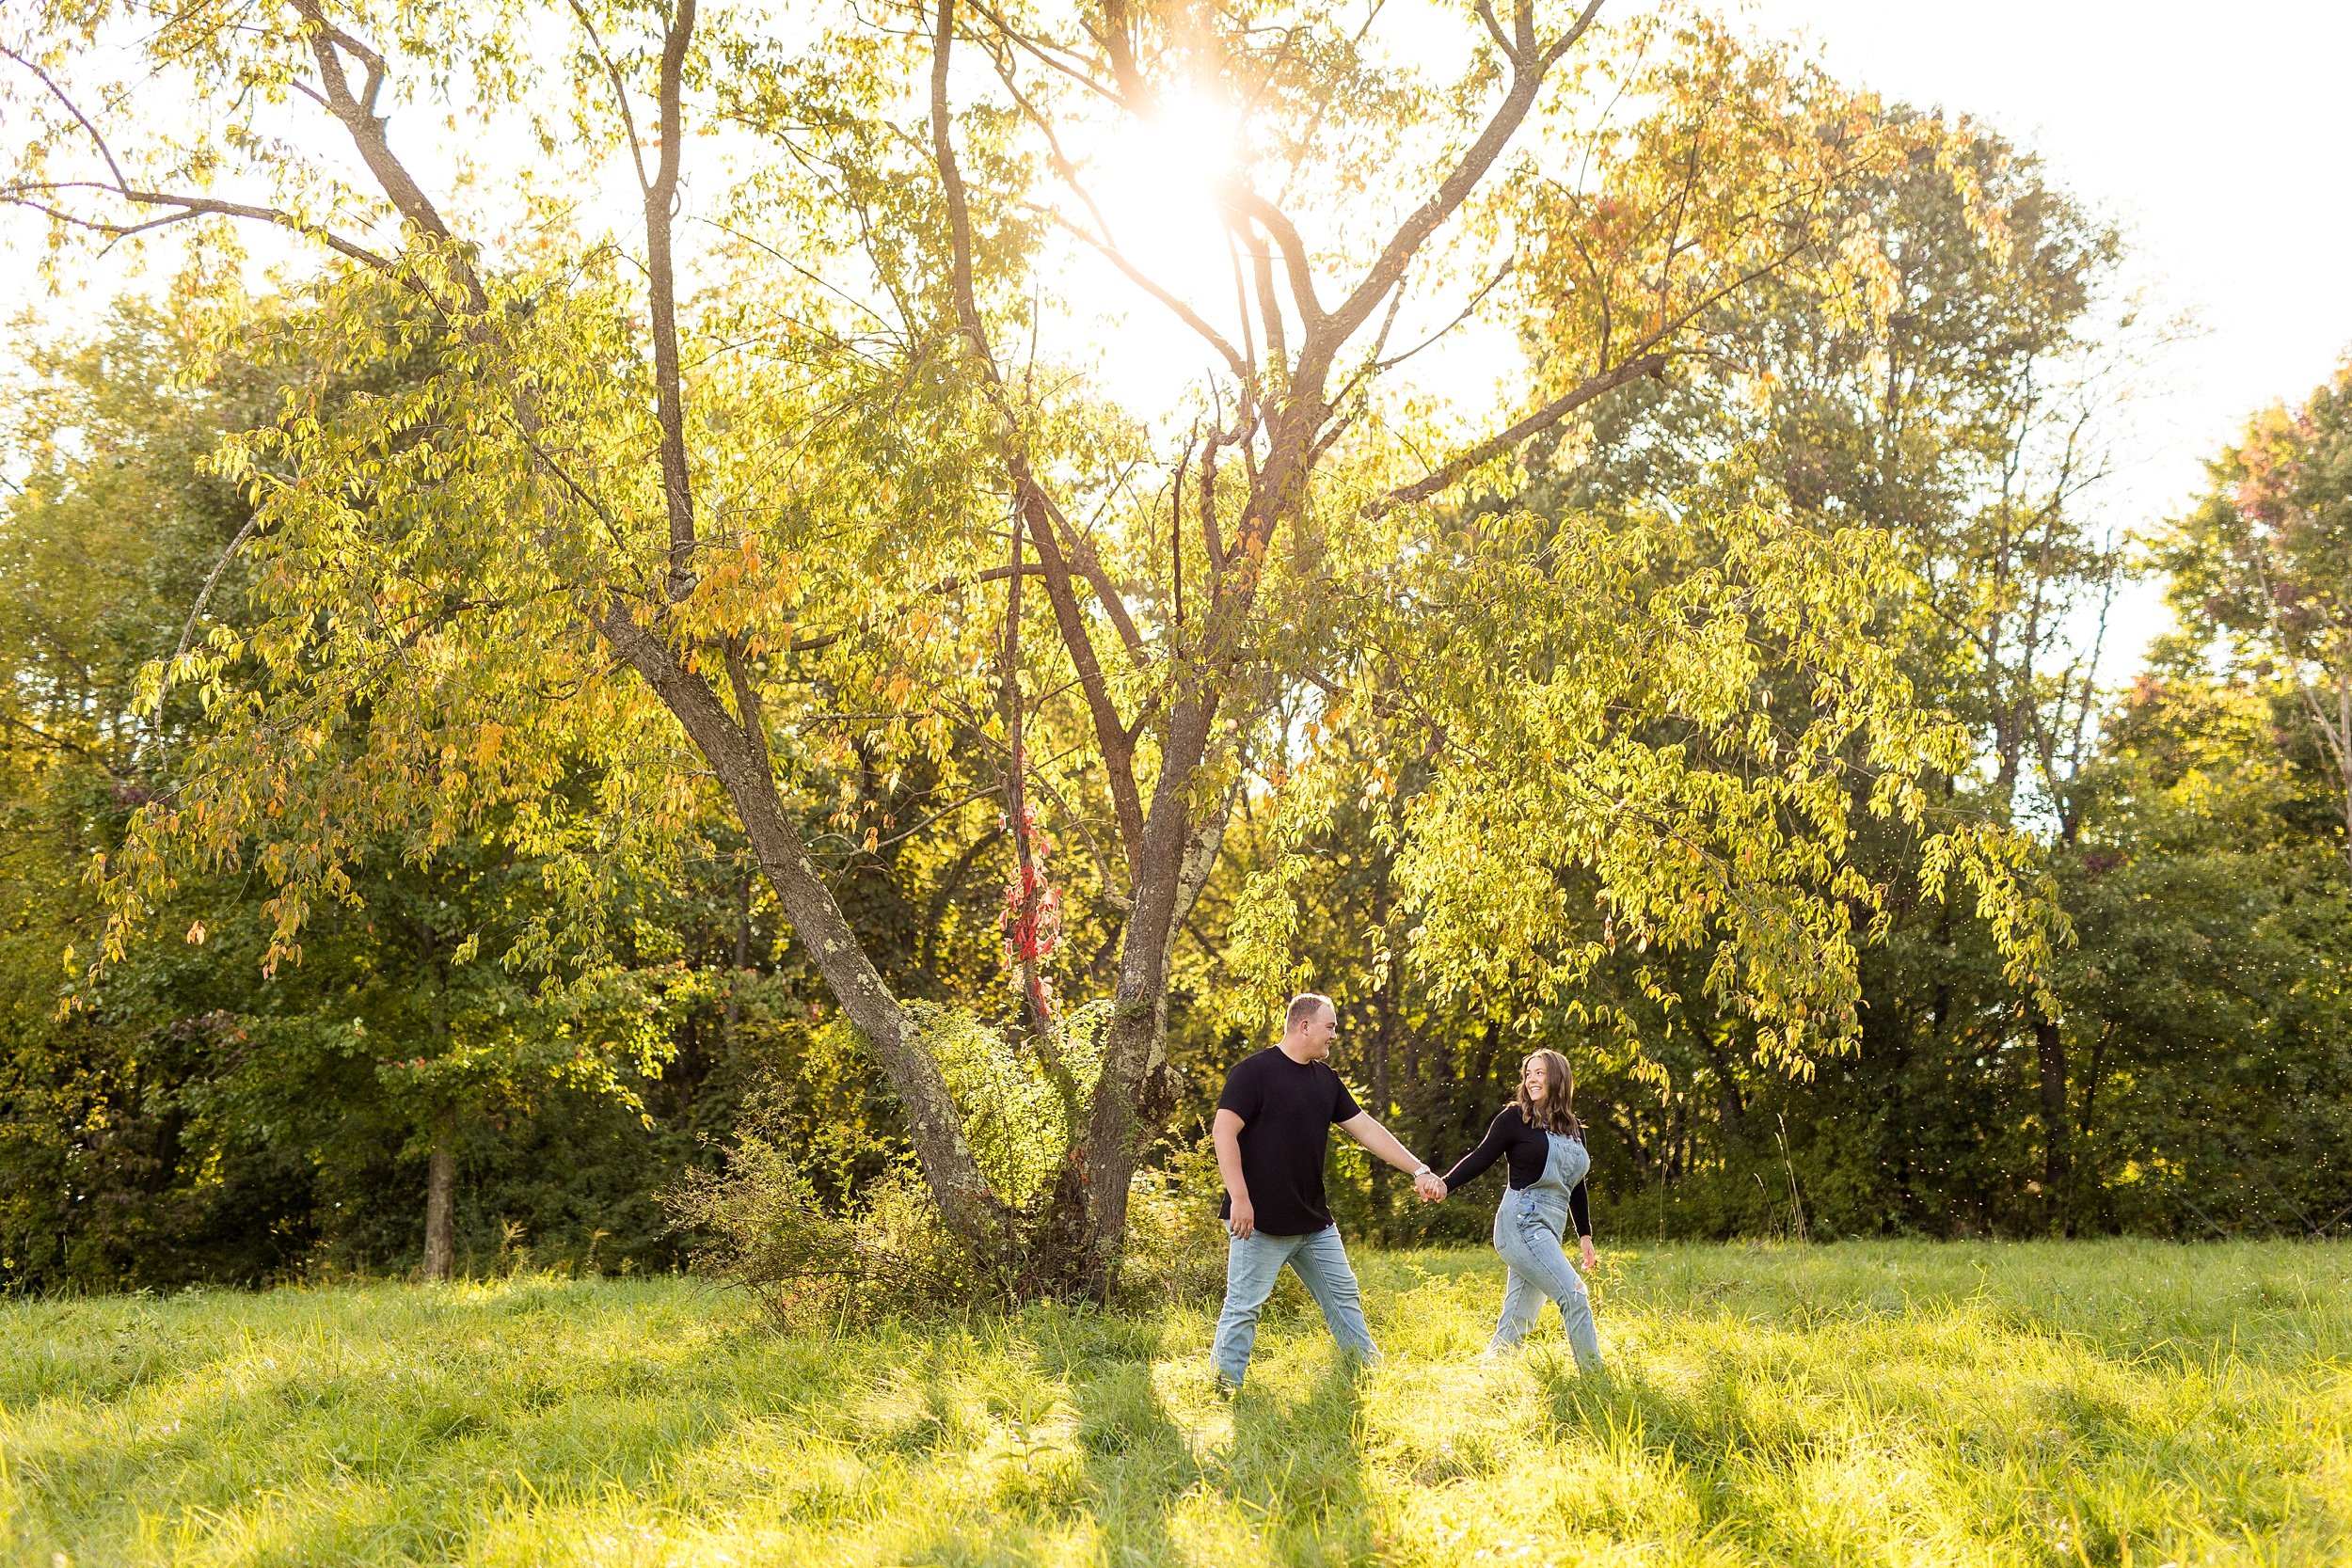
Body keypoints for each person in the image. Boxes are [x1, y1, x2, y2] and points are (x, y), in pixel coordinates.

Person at [1209, 992, 1445, 1389]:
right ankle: (1223, 1388)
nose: (1335, 1034)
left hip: (1314, 1223)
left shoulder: (1326, 1079)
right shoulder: (1253, 1073)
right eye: (1330, 1026)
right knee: (1243, 1308)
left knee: (1344, 1298)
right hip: (1260, 1222)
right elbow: (1223, 1132)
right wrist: (1241, 1198)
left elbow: (1367, 1129)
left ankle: (1368, 1375)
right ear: (1304, 1026)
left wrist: (1419, 1169)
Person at [1425, 1048, 1604, 1370]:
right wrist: (1445, 1183)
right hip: (1520, 1223)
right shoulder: (1514, 1118)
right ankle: (1595, 1378)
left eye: (1540, 1073)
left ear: (1558, 1079)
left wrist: (1585, 1235)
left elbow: (1576, 1184)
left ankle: (1493, 1377)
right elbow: (1481, 1157)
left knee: (1518, 1318)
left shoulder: (1573, 1128)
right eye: (1528, 1074)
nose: (1532, 1080)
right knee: (1574, 1294)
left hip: (1549, 1227)